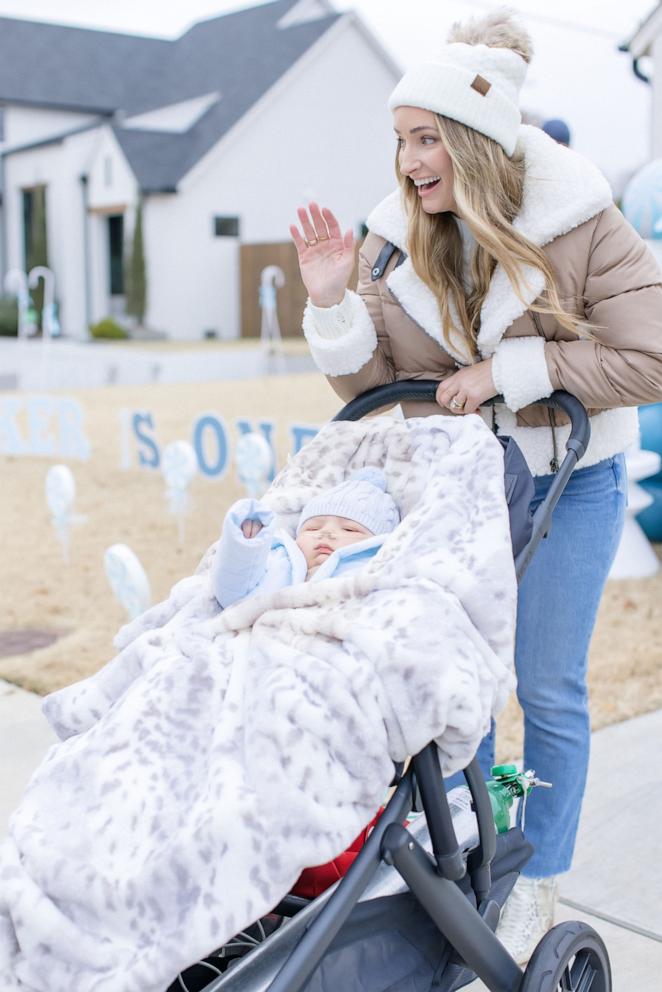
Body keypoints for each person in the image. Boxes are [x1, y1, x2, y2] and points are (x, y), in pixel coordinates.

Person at [289, 7, 662, 964]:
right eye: (401, 140)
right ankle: (477, 856)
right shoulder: (394, 235)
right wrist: (333, 305)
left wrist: (516, 371)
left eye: (424, 139)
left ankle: (537, 878)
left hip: (569, 480)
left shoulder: (581, 220)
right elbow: (372, 386)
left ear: (472, 140)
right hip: (456, 488)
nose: (408, 160)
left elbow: (650, 357)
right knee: (462, 689)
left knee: (548, 688)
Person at [211, 466, 400, 608]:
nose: (327, 533)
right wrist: (246, 547)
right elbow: (232, 595)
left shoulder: (373, 571)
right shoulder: (280, 561)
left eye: (350, 530)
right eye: (313, 528)